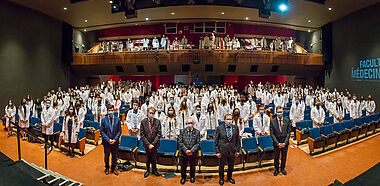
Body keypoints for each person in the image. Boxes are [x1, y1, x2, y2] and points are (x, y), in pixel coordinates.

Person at [215, 114, 241, 185]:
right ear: (224, 120)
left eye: (230, 119)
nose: (229, 121)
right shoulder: (219, 128)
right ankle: (221, 178)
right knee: (221, 166)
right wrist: (217, 151)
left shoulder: (235, 128)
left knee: (231, 166)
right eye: (227, 119)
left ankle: (229, 177)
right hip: (222, 151)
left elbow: (238, 140)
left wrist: (238, 150)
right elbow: (216, 141)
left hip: (232, 150)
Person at [100, 105, 122, 176]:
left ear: (114, 111)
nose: (110, 112)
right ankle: (107, 167)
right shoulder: (103, 120)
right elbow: (102, 131)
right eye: (109, 110)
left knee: (114, 156)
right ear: (107, 111)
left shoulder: (118, 120)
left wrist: (115, 139)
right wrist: (108, 139)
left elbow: (119, 131)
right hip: (107, 142)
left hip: (115, 142)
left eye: (111, 110)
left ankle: (113, 167)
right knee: (107, 156)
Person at [140, 107, 161, 178]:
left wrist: (153, 144)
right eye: (150, 113)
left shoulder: (157, 121)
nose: (151, 114)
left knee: (154, 158)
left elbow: (158, 134)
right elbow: (142, 135)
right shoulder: (143, 122)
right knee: (148, 158)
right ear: (147, 113)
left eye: (152, 113)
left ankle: (154, 170)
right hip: (147, 144)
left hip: (155, 144)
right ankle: (148, 170)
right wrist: (148, 144)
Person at [178, 118, 200, 184]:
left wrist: (192, 151)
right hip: (183, 153)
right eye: (188, 123)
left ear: (193, 124)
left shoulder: (197, 132)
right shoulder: (182, 131)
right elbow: (180, 142)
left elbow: (198, 143)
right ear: (186, 124)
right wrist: (186, 150)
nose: (189, 124)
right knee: (183, 167)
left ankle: (192, 176)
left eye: (191, 123)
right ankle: (183, 177)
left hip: (193, 153)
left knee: (192, 166)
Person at [270, 106, 291, 176]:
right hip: (277, 142)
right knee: (276, 157)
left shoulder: (287, 120)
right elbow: (272, 133)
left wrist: (285, 142)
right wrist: (277, 143)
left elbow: (288, 132)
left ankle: (282, 168)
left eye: (281, 112)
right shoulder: (272, 121)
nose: (279, 113)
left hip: (285, 142)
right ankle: (276, 169)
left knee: (284, 156)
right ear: (276, 112)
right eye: (278, 112)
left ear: (283, 112)